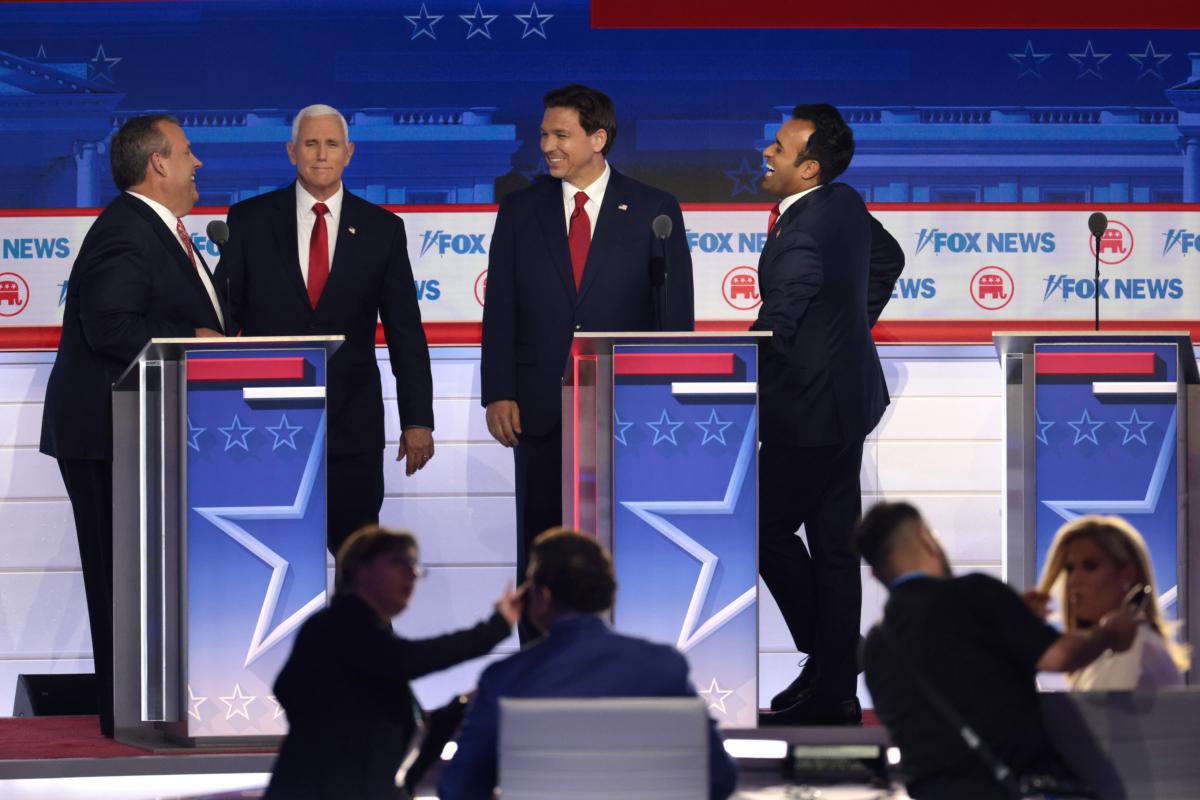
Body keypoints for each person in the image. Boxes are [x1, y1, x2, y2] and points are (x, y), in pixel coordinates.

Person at [40, 114, 224, 737]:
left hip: (141, 429)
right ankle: (133, 717)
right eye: (188, 152)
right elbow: (110, 327)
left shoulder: (158, 230)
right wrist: (194, 339)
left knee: (143, 577)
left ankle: (153, 708)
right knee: (121, 577)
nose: (198, 164)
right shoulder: (125, 230)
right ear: (158, 164)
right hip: (110, 433)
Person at [480, 85, 694, 616]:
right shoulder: (519, 210)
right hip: (538, 407)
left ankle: (620, 661)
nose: (547, 145)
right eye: (543, 134)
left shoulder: (654, 210)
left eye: (560, 135)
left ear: (598, 138)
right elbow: (500, 309)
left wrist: (667, 401)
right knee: (540, 544)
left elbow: (674, 317)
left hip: (626, 413)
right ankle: (538, 664)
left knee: (623, 542)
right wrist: (499, 392)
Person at [215, 104, 434, 556]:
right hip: (263, 423)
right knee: (271, 558)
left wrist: (417, 420)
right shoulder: (249, 221)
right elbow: (220, 318)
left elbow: (405, 332)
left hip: (351, 425)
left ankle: (366, 631)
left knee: (360, 561)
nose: (321, 155)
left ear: (349, 153)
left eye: (331, 144)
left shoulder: (382, 229)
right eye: (310, 144)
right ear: (291, 151)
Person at [752, 104, 905, 725]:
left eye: (780, 148)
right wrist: (846, 333)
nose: (767, 152)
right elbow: (887, 258)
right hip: (846, 404)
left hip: (808, 413)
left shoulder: (805, 232)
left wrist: (730, 379)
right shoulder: (842, 203)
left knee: (758, 529)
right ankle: (835, 687)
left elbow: (778, 324)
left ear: (808, 168)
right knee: (835, 549)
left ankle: (834, 656)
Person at [857, 501, 1140, 800]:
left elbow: (952, 671)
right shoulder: (975, 594)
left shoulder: (876, 647)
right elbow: (1059, 657)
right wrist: (1111, 632)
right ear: (926, 538)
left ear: (876, 574)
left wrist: (1016, 619)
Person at [438, 528, 736, 800]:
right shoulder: (665, 666)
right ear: (609, 595)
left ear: (542, 595)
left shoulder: (504, 679)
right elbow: (720, 779)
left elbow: (459, 789)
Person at [265, 526, 521, 800]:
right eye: (401, 562)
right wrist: (495, 628)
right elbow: (408, 660)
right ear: (361, 570)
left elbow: (402, 728)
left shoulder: (358, 638)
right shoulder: (340, 627)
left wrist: (459, 706)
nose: (412, 575)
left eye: (414, 566)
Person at [1031, 514, 1188, 691]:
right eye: (1069, 569)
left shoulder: (1136, 649)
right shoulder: (1099, 653)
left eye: (1090, 566)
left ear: (1126, 575)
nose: (1074, 580)